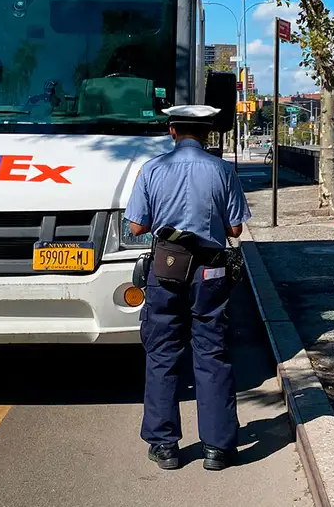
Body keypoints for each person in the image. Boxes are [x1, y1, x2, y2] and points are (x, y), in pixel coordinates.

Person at [125, 104, 251, 472]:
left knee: (162, 353)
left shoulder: (152, 169)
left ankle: (165, 445)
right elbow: (236, 230)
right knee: (211, 353)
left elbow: (135, 227)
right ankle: (218, 447)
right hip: (210, 274)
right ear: (207, 133)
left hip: (165, 271)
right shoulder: (222, 170)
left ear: (172, 130)